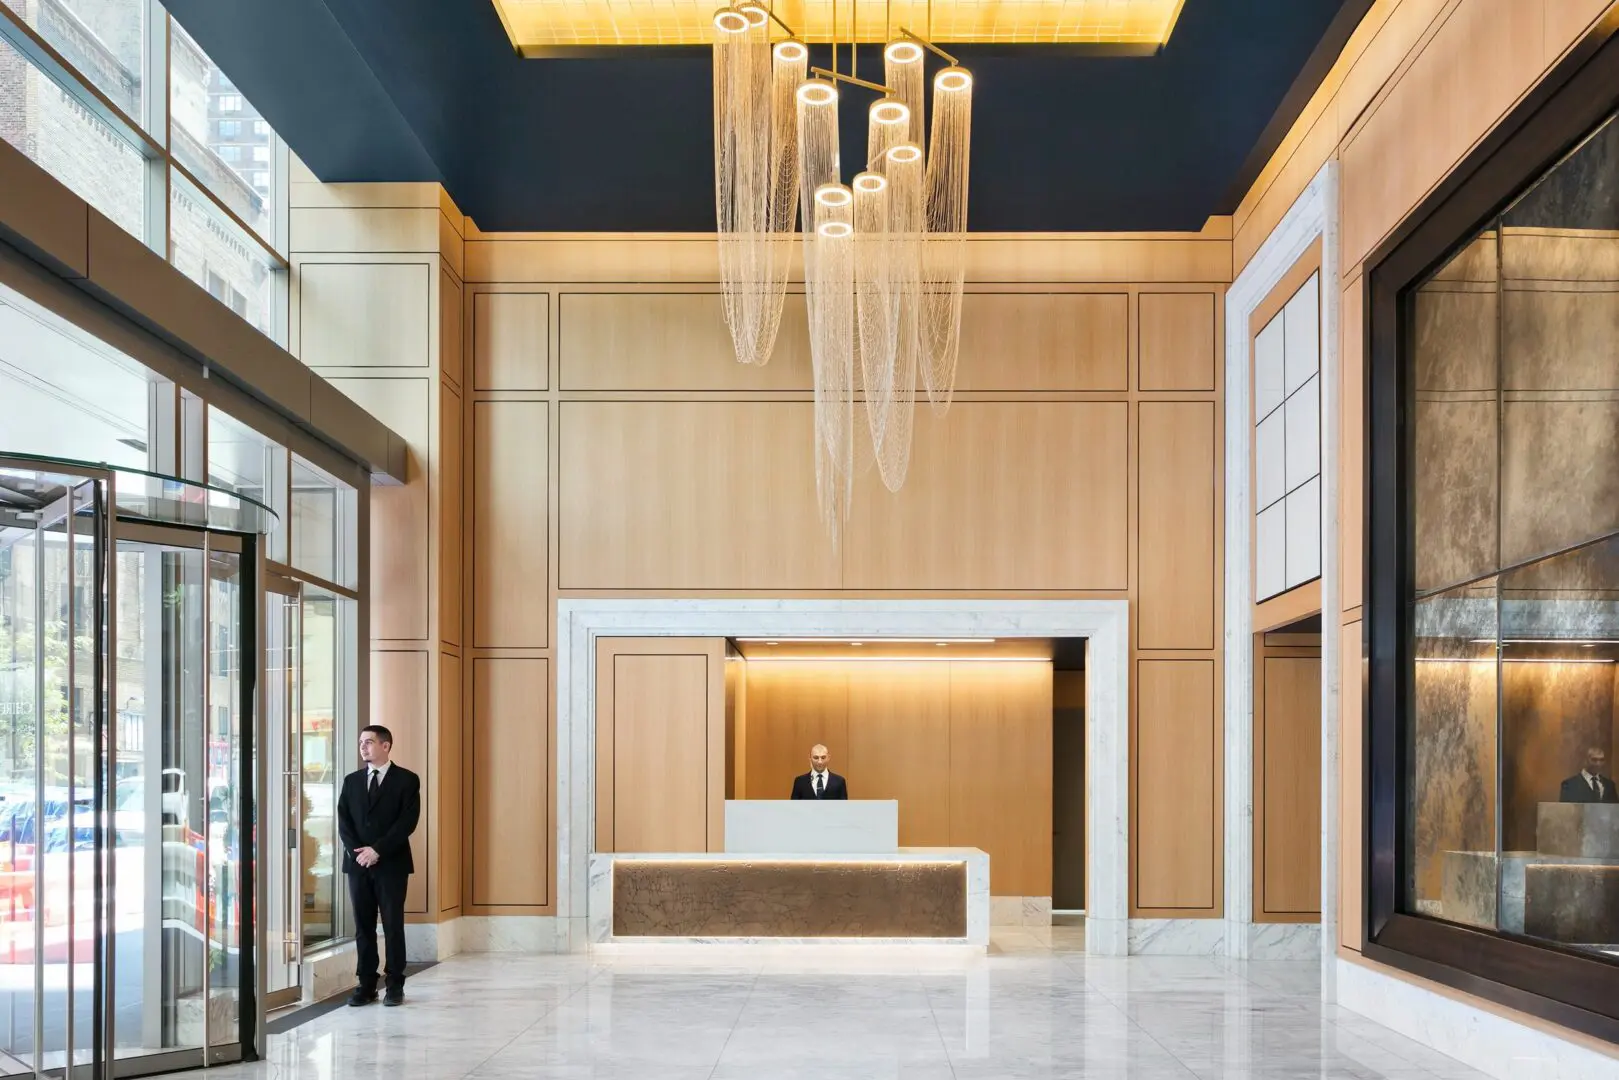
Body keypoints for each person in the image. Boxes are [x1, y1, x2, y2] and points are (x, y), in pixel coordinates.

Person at [337, 725, 421, 1006]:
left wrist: (377, 850)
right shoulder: (351, 782)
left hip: (391, 865)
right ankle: (366, 984)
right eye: (361, 742)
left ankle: (395, 984)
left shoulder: (407, 780)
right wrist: (358, 853)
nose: (363, 747)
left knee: (393, 924)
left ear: (386, 746)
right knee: (363, 926)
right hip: (358, 865)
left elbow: (406, 824)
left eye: (369, 742)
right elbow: (344, 822)